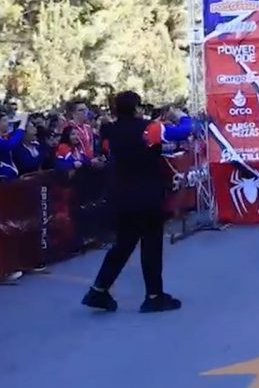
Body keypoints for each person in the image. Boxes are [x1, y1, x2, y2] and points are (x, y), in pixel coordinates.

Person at [82, 92, 194, 313]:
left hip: (122, 195)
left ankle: (99, 289)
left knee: (123, 244)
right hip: (148, 194)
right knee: (151, 245)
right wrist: (180, 115)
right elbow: (185, 130)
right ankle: (154, 296)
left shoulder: (110, 131)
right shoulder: (149, 128)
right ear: (136, 108)